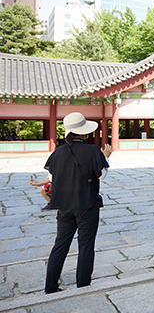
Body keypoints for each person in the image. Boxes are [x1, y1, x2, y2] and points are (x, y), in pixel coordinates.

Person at [44, 112, 112, 294]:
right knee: (86, 244)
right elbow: (102, 175)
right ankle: (82, 286)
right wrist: (106, 157)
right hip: (86, 204)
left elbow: (51, 177)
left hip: (64, 206)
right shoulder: (93, 150)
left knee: (60, 244)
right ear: (84, 133)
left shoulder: (57, 152)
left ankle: (50, 287)